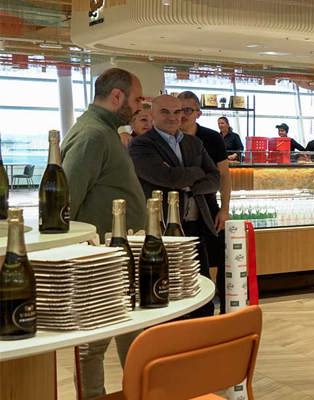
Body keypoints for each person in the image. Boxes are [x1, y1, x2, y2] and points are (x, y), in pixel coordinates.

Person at [60, 67, 148, 400]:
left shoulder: (103, 130)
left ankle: (141, 392)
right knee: (93, 343)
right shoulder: (93, 134)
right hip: (101, 262)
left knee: (133, 332)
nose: (140, 106)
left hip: (116, 257)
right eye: (137, 98)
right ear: (117, 97)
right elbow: (64, 202)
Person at [129, 94, 222, 315]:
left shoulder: (194, 142)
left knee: (200, 282)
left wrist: (187, 182)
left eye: (177, 112)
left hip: (196, 225)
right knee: (168, 285)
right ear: (152, 115)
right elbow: (167, 178)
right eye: (165, 112)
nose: (173, 117)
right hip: (164, 228)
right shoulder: (141, 145)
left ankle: (204, 329)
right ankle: (174, 336)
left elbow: (215, 178)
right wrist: (195, 174)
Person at [177, 90, 231, 316]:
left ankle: (225, 311)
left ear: (198, 113)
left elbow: (224, 175)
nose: (182, 116)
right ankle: (197, 310)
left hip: (209, 210)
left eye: (187, 110)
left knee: (220, 258)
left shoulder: (211, 138)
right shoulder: (168, 138)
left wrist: (225, 209)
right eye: (178, 110)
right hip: (179, 214)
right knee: (191, 264)